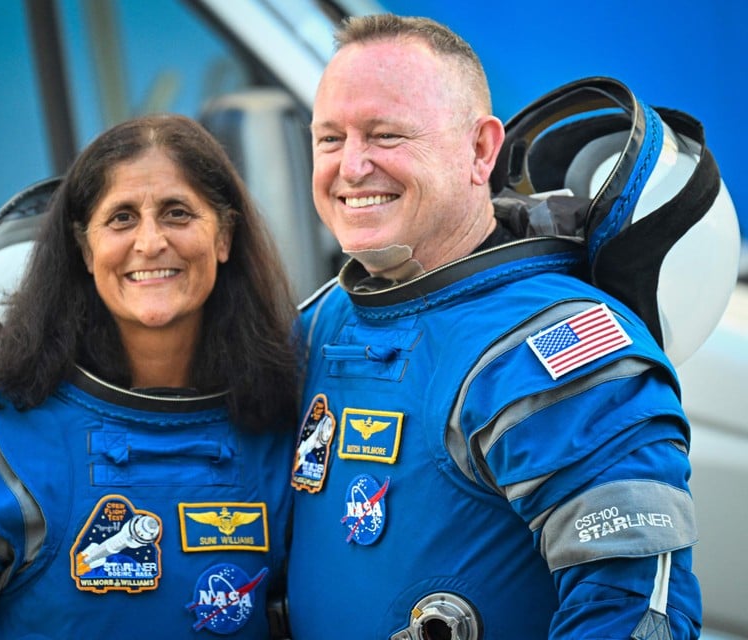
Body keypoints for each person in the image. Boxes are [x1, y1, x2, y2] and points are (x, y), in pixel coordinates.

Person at [286, 14, 703, 640]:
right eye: (329, 139)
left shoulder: (558, 346)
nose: (351, 166)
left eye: (386, 135)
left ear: (482, 149)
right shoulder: (326, 316)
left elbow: (633, 612)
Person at [0, 114, 298, 638]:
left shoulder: (278, 430)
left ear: (224, 236)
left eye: (177, 213)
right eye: (121, 218)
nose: (149, 242)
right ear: (85, 249)